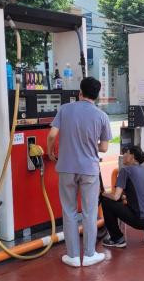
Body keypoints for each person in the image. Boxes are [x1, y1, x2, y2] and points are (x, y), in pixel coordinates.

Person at [47, 77, 111, 268]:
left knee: (69, 211)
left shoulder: (65, 109)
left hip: (66, 167)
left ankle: (73, 256)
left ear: (80, 92)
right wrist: (91, 145)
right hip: (89, 170)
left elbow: (51, 135)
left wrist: (51, 151)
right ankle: (90, 254)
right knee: (90, 211)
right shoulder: (101, 116)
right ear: (97, 95)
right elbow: (105, 147)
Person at [100, 146, 144, 248]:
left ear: (132, 156)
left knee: (106, 202)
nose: (123, 155)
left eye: (126, 153)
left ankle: (117, 238)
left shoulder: (126, 171)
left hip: (141, 220)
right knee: (134, 204)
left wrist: (102, 193)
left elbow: (115, 197)